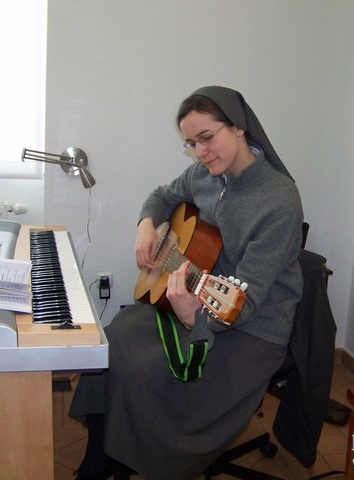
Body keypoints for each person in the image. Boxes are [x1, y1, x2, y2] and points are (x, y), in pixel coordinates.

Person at [69, 86, 304, 480]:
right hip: (195, 298)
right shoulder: (204, 176)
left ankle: (150, 457)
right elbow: (162, 196)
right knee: (113, 340)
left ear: (239, 127)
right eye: (191, 143)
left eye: (207, 138)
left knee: (146, 371)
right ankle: (103, 450)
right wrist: (146, 225)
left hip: (252, 328)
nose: (200, 153)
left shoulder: (278, 200)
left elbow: (245, 304)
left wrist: (195, 318)